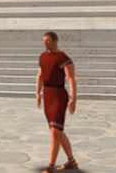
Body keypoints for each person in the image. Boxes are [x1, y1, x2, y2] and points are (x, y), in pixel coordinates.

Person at [35, 31, 78, 172]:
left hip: (59, 95)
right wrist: (37, 93)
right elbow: (40, 75)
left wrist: (73, 98)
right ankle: (71, 161)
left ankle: (50, 167)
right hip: (47, 94)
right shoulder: (43, 56)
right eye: (44, 40)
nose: (45, 43)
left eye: (47, 40)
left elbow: (71, 78)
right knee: (57, 131)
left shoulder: (63, 58)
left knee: (55, 130)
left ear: (55, 41)